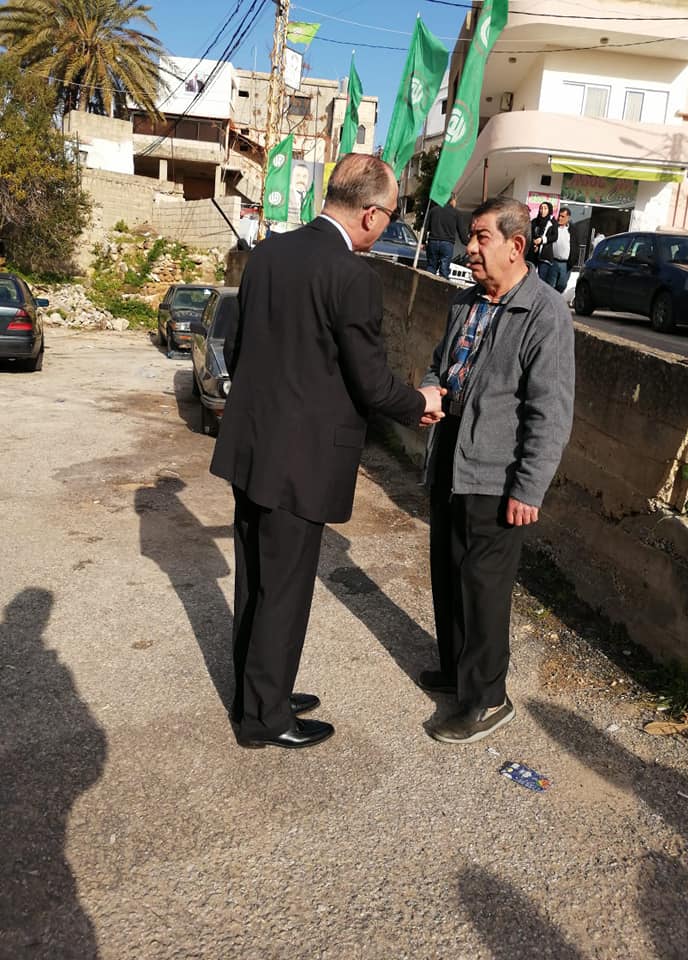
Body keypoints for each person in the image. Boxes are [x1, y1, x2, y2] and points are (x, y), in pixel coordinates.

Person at [210, 153, 445, 750]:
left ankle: (257, 694)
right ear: (369, 214)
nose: (386, 229)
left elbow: (239, 348)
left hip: (253, 447)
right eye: (389, 217)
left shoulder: (269, 253)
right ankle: (265, 720)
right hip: (300, 460)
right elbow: (372, 383)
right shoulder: (352, 276)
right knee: (284, 591)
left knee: (255, 581)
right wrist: (419, 402)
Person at [418, 196, 575, 744]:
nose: (470, 247)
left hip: (498, 469)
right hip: (452, 451)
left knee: (483, 586)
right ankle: (457, 671)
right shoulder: (466, 301)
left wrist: (529, 487)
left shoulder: (544, 313)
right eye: (470, 237)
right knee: (448, 570)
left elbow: (550, 412)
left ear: (516, 245)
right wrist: (431, 389)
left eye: (481, 237)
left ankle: (487, 698)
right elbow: (441, 363)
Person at [426, 194, 465, 279]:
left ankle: (425, 284)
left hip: (433, 242)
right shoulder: (456, 213)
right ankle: (441, 286)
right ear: (452, 200)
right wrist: (467, 242)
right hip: (447, 244)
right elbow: (462, 232)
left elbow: (426, 227)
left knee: (431, 267)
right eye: (455, 200)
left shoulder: (433, 210)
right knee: (444, 271)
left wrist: (422, 241)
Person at [529, 201, 558, 284]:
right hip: (533, 254)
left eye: (545, 208)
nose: (542, 210)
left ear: (549, 210)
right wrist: (534, 244)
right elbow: (530, 234)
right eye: (541, 208)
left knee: (541, 278)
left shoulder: (552, 222)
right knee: (530, 276)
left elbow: (554, 237)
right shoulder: (534, 221)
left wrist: (542, 240)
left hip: (545, 254)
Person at [549, 206, 577, 293]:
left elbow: (575, 245)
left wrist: (573, 261)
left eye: (563, 216)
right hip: (553, 261)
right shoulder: (553, 228)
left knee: (562, 285)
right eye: (559, 216)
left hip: (565, 264)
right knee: (550, 285)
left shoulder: (572, 230)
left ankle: (556, 297)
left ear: (568, 218)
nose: (560, 218)